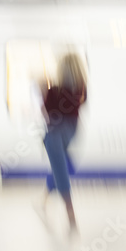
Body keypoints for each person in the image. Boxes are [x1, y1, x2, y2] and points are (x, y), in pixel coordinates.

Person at [39, 53, 87, 233]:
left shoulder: (54, 91)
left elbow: (47, 112)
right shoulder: (81, 89)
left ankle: (69, 213)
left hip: (54, 134)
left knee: (61, 169)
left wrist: (44, 90)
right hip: (72, 132)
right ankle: (47, 203)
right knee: (61, 167)